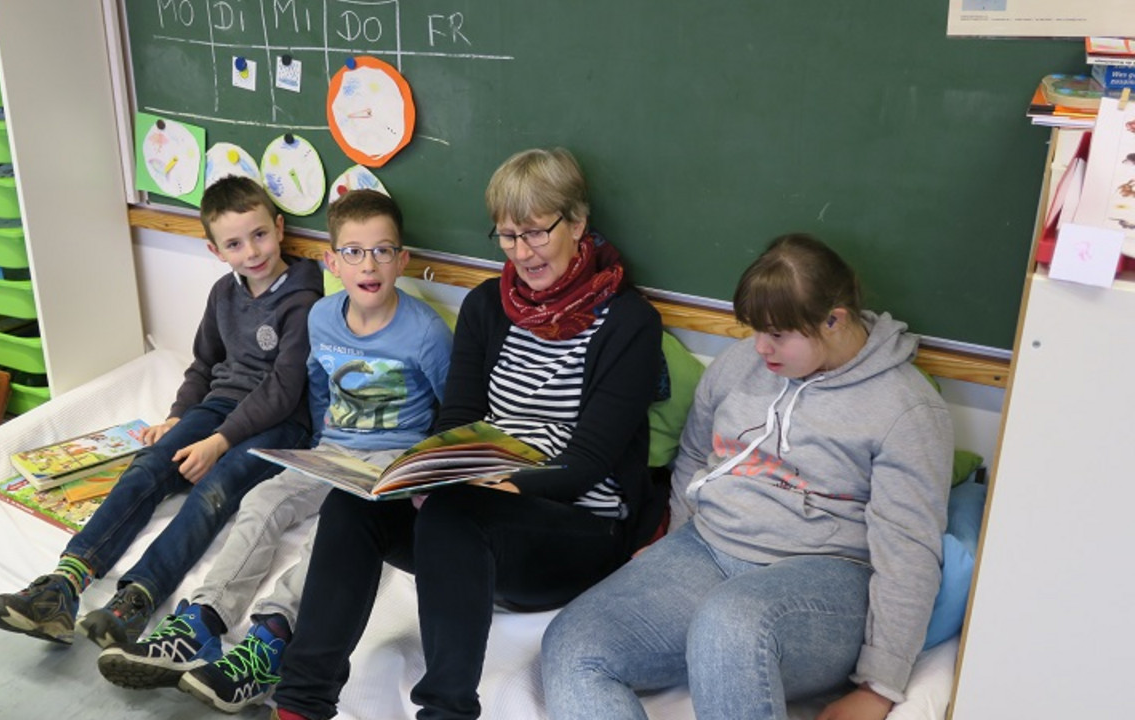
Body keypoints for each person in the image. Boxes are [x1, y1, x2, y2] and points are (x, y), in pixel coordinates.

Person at [270, 147, 666, 720]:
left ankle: (447, 712)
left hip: (575, 528)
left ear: (577, 224)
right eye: (507, 236)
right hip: (476, 502)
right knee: (351, 507)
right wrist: (422, 475)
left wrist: (493, 488)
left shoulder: (628, 322)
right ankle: (301, 704)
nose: (521, 252)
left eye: (535, 233)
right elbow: (457, 420)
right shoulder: (488, 305)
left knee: (455, 515)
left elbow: (587, 461)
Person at [540, 233, 954, 720]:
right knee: (573, 643)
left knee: (729, 623)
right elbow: (694, 454)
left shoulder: (906, 410)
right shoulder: (741, 365)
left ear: (834, 320)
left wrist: (879, 687)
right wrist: (675, 541)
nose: (760, 348)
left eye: (778, 334)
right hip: (708, 550)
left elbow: (909, 552)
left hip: (825, 574)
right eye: (754, 329)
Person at [94, 189, 453, 713]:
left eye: (382, 251)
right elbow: (318, 389)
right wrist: (315, 446)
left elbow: (453, 408)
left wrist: (420, 476)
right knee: (261, 502)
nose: (368, 264)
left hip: (389, 461)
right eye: (352, 251)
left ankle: (268, 643)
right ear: (332, 261)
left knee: (333, 534)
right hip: (331, 449)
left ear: (402, 260)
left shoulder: (425, 332)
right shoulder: (323, 318)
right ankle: (201, 624)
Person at [0, 175, 323, 650]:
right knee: (149, 467)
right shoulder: (224, 294)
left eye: (260, 234)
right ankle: (62, 585)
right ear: (215, 250)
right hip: (220, 406)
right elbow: (204, 364)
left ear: (280, 227)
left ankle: (138, 600)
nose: (252, 251)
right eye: (235, 243)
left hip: (282, 423)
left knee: (215, 488)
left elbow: (284, 391)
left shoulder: (305, 300)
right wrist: (181, 418)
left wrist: (218, 442)